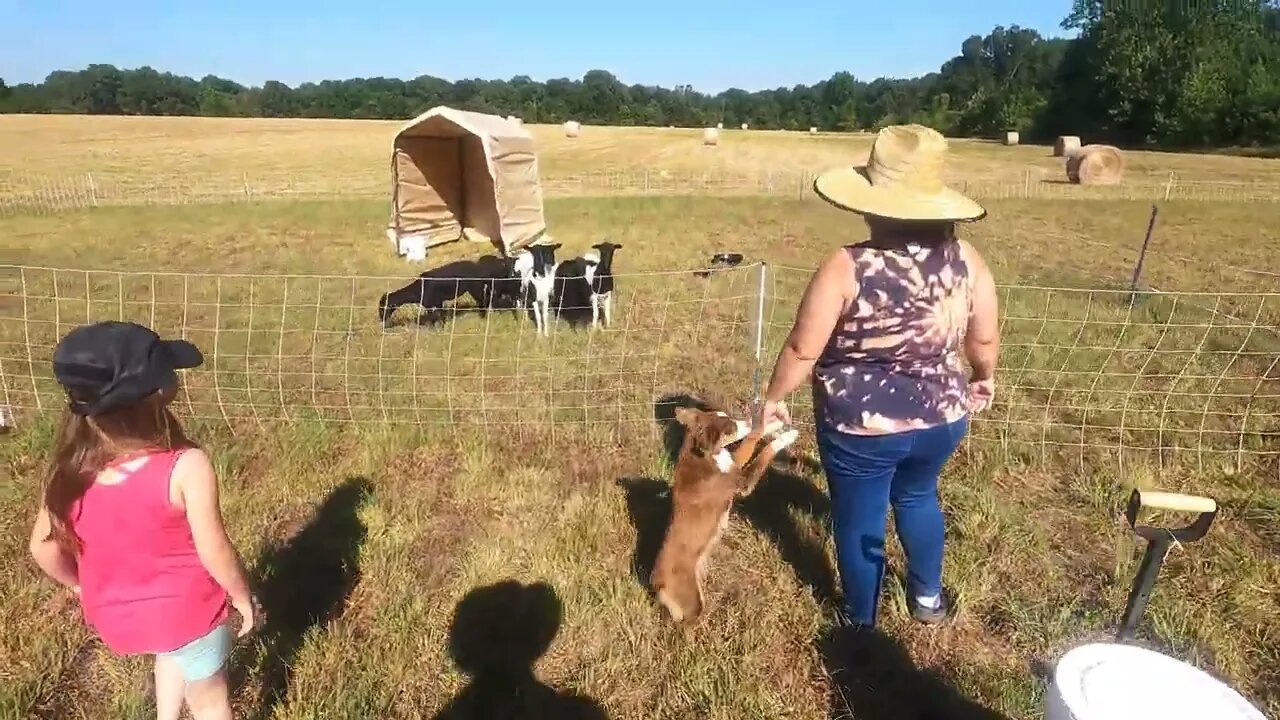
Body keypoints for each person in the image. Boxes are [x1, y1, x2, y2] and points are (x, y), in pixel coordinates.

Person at [757, 124, 999, 628]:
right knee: (918, 497)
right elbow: (984, 340)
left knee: (858, 518)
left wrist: (775, 397)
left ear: (872, 204)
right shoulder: (968, 259)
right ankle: (928, 600)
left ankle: (861, 621)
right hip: (941, 419)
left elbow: (804, 347)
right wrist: (983, 377)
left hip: (860, 427)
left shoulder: (847, 265)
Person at [27, 321, 258, 720]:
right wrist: (240, 595)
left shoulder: (69, 471)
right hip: (191, 613)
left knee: (169, 651)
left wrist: (79, 585)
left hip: (119, 620)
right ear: (153, 392)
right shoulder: (186, 466)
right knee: (210, 702)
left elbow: (41, 546)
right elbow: (214, 549)